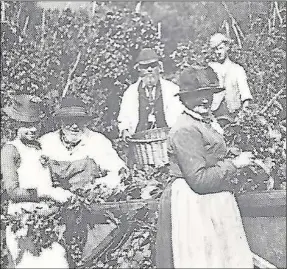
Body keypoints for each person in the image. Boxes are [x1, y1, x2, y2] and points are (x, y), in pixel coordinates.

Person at [156, 66, 254, 268]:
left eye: (208, 94)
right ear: (184, 99)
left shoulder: (205, 121)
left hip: (212, 198)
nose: (204, 100)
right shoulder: (185, 129)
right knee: (202, 259)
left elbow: (211, 155)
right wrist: (234, 164)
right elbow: (199, 180)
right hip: (194, 202)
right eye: (197, 95)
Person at [1, 94, 71, 268]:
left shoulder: (40, 147)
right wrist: (46, 193)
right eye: (26, 125)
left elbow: (49, 178)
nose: (32, 129)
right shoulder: (11, 150)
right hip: (24, 218)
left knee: (58, 261)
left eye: (35, 124)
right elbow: (13, 191)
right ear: (15, 124)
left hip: (46, 217)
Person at [40, 96, 126, 189]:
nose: (74, 126)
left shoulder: (97, 141)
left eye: (79, 120)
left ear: (85, 121)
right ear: (61, 121)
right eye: (69, 120)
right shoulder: (46, 142)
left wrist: (96, 184)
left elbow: (118, 172)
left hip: (88, 197)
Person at [118, 48, 184, 140]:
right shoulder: (131, 93)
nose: (149, 70)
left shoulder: (172, 89)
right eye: (145, 67)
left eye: (153, 66)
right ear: (139, 69)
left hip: (167, 139)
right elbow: (124, 118)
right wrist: (125, 131)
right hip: (140, 143)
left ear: (159, 67)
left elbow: (179, 117)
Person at [208, 33, 253, 121]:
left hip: (233, 116)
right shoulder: (210, 68)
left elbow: (245, 95)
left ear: (227, 48)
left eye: (220, 48)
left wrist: (242, 116)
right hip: (214, 116)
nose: (218, 52)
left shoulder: (237, 69)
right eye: (215, 50)